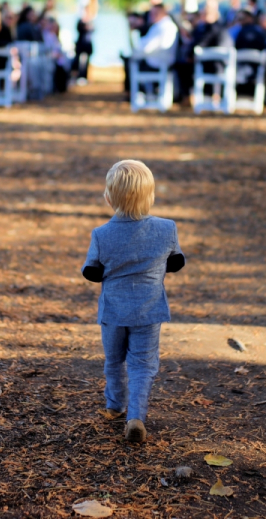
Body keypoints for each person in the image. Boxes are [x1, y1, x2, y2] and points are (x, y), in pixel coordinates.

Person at [81, 160, 185, 444]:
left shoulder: (101, 235)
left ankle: (114, 406)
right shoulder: (167, 229)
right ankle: (136, 416)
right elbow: (176, 262)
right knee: (142, 364)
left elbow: (92, 271)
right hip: (149, 311)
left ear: (108, 197)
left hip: (114, 311)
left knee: (114, 361)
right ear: (150, 196)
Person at [72, 11, 94, 85]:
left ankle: (84, 77)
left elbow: (93, 30)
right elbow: (79, 29)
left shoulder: (91, 22)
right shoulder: (80, 22)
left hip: (87, 46)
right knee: (79, 62)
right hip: (81, 46)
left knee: (86, 62)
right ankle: (79, 77)